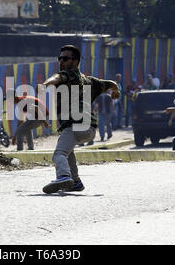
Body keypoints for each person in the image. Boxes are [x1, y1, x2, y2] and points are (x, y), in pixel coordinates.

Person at [38, 45, 120, 194]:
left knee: (59, 154)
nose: (61, 61)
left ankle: (63, 176)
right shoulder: (90, 81)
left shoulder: (69, 75)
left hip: (75, 125)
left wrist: (45, 84)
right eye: (60, 58)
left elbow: (57, 77)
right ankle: (75, 181)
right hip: (89, 129)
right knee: (68, 151)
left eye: (66, 58)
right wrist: (116, 90)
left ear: (75, 62)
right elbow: (110, 83)